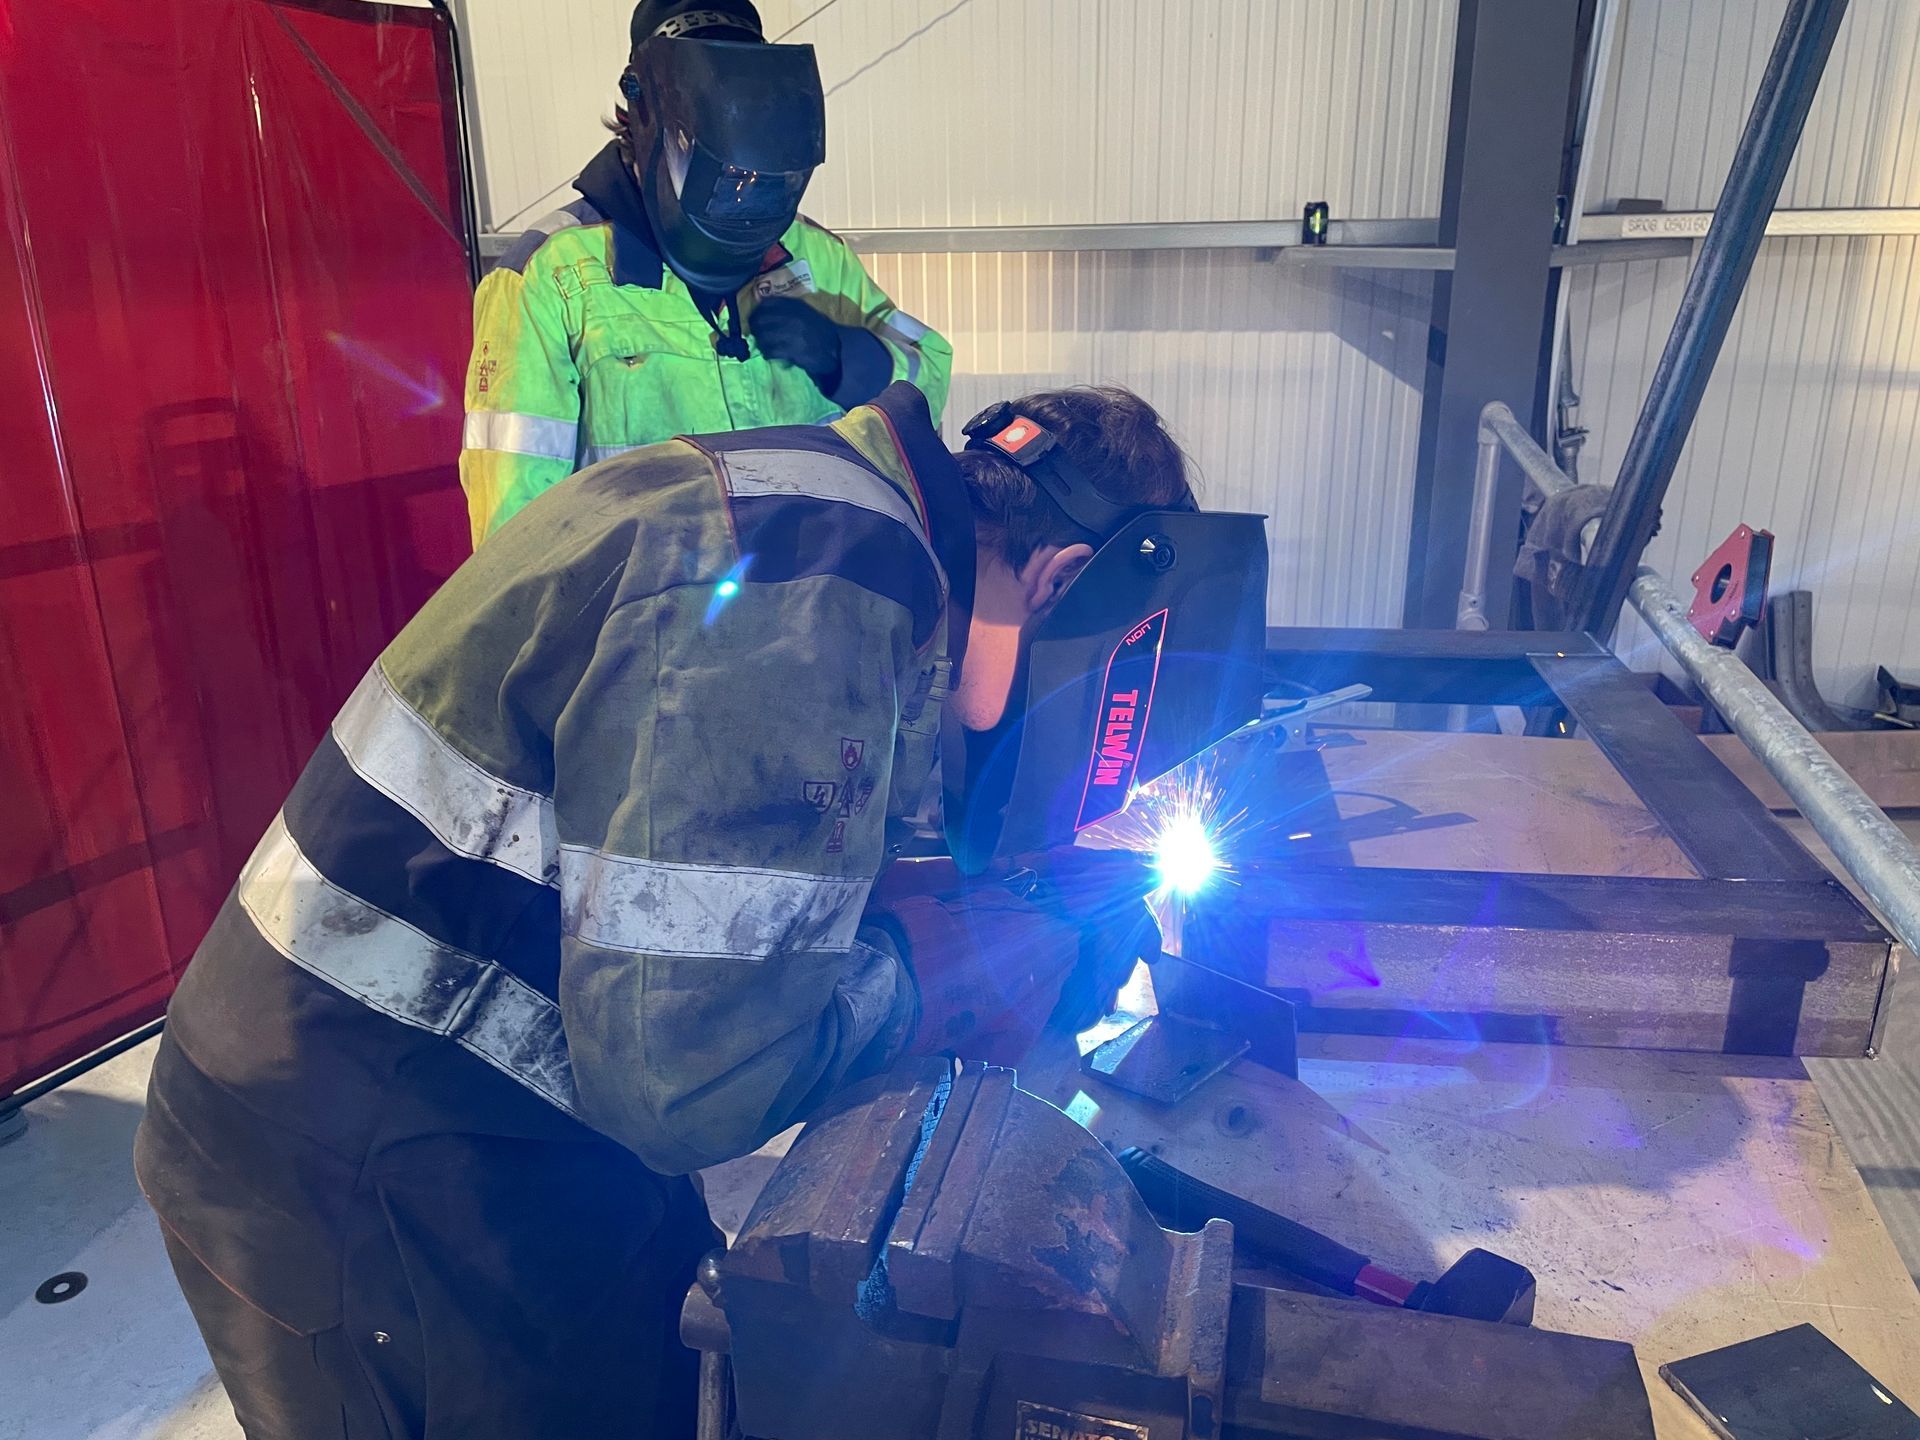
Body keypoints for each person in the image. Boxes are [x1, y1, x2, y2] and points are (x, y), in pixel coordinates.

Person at [136, 378, 1216, 1438]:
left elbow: (732, 843)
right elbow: (690, 1086)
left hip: (463, 1087)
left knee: (662, 1345)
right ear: (1063, 577)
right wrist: (950, 977)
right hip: (349, 1159)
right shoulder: (821, 581)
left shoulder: (820, 503)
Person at [459, 0, 951, 547]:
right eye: (722, 173)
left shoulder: (814, 253)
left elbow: (927, 378)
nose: (742, 200)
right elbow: (514, 533)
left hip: (811, 597)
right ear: (641, 111)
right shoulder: (548, 276)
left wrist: (846, 357)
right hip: (652, 620)